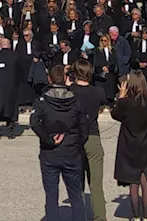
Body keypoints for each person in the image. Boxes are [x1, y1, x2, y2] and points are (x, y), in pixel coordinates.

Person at [31, 63, 87, 221]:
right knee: (75, 195)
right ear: (65, 78)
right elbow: (84, 128)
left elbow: (34, 123)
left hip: (51, 152)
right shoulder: (75, 100)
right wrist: (77, 144)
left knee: (51, 194)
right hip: (70, 150)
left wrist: (48, 140)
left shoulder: (43, 101)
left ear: (49, 78)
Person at [111, 70, 147, 221]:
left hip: (130, 143)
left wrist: (120, 96)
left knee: (133, 183)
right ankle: (146, 217)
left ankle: (135, 215)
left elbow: (115, 115)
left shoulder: (126, 102)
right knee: (146, 182)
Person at [69, 59, 109, 221]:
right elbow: (101, 107)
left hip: (75, 137)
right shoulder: (98, 91)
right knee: (96, 185)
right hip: (92, 134)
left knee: (77, 184)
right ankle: (100, 217)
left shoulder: (70, 91)